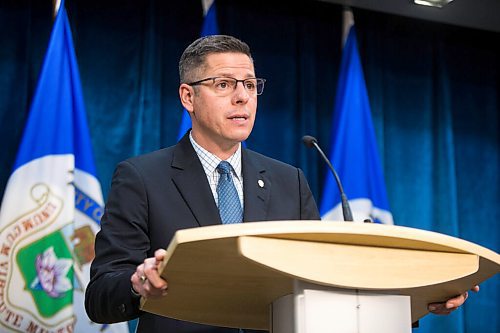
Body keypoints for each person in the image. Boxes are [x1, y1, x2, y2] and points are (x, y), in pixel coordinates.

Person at [85, 35, 476, 333]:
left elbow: (325, 284)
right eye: (224, 84)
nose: (242, 97)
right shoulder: (141, 177)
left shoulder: (289, 181)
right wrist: (138, 285)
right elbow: (101, 296)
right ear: (188, 96)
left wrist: (419, 301)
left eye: (250, 85)